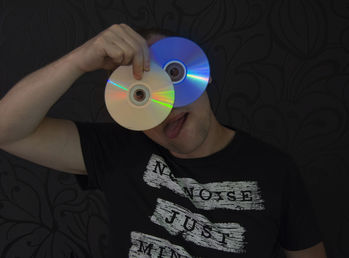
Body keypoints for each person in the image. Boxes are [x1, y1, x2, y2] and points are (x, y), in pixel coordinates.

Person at [0, 23, 327, 258]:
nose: (166, 107)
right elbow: (7, 130)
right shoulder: (119, 150)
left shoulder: (274, 170)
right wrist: (78, 61)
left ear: (203, 74)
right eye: (143, 94)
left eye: (171, 76)